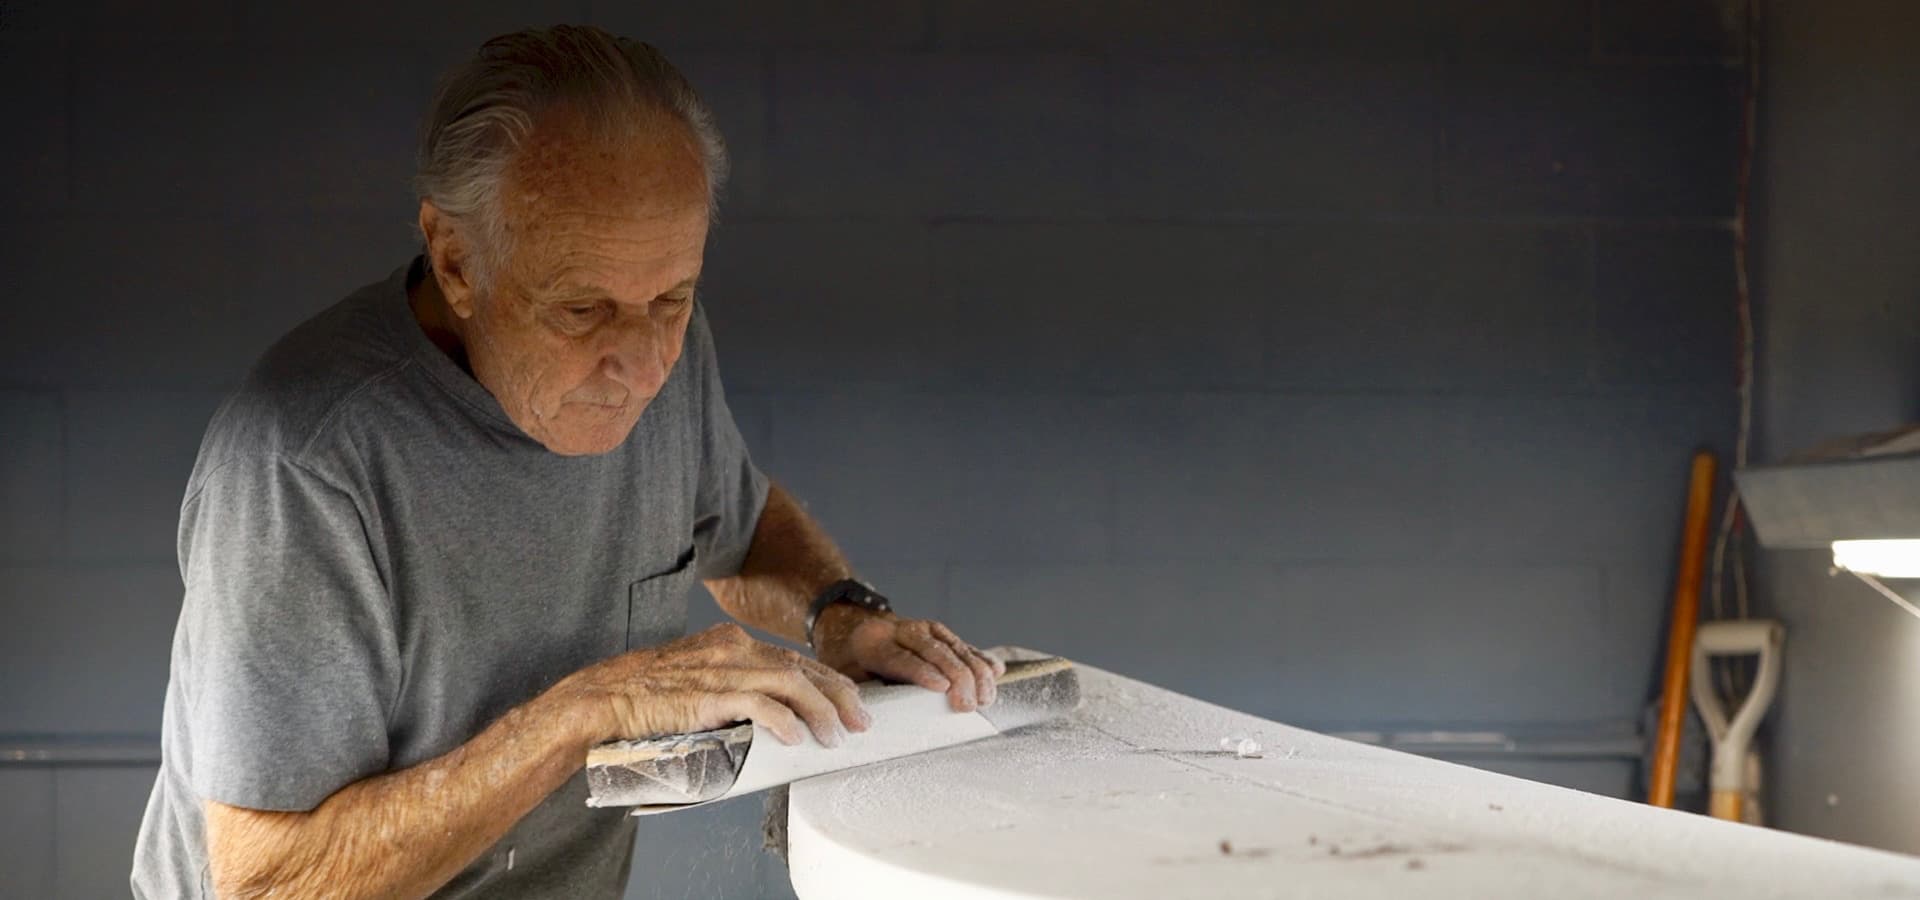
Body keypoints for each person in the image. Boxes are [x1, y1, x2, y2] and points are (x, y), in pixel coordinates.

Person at [130, 25, 1002, 899]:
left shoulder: (667, 350)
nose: (646, 364)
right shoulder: (302, 465)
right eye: (583, 309)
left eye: (674, 295)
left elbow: (736, 529)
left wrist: (840, 615)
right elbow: (266, 885)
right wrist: (588, 711)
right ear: (457, 261)